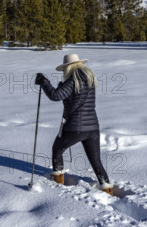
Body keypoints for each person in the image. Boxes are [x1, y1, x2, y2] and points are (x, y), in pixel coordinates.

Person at [35, 53, 113, 195]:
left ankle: (58, 180)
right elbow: (74, 97)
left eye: (65, 68)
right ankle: (107, 188)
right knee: (95, 160)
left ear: (69, 67)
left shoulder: (72, 80)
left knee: (57, 149)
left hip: (75, 128)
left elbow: (56, 96)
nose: (64, 71)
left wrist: (44, 82)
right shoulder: (89, 79)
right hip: (93, 128)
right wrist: (61, 86)